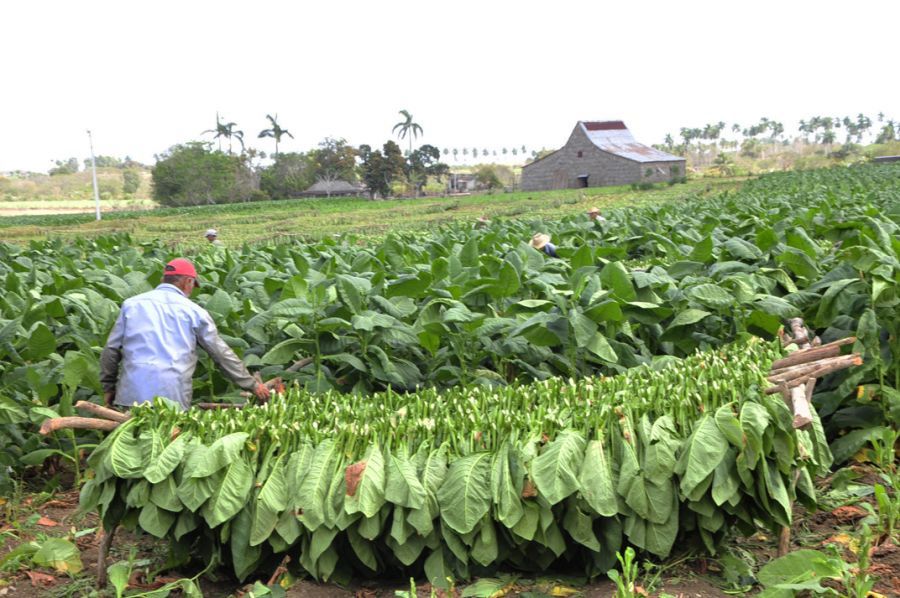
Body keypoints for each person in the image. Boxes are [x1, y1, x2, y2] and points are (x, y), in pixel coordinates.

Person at [100, 258, 269, 410]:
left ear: (163, 280)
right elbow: (221, 354)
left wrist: (108, 387)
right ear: (188, 281)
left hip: (132, 393)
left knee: (131, 441)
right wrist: (252, 385)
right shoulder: (194, 312)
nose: (191, 291)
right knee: (167, 442)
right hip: (172, 396)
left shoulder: (131, 304)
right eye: (192, 286)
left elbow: (111, 349)